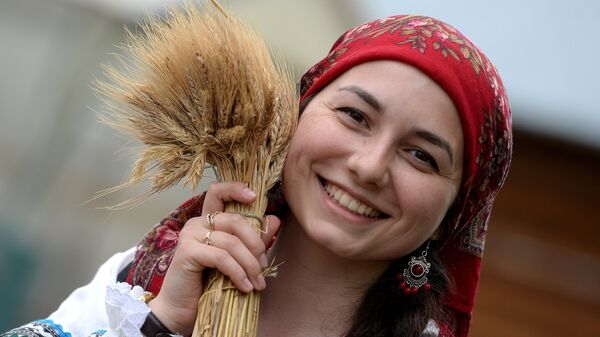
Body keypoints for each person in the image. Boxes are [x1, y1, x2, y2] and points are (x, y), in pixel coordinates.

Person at [1, 14, 511, 337]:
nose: (368, 166)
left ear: (455, 215)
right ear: (297, 114)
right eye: (355, 116)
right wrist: (162, 325)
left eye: (422, 156)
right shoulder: (137, 289)